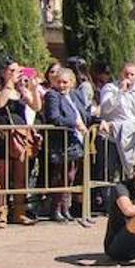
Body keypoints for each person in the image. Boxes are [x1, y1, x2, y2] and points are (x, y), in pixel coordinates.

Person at [0, 59, 41, 226]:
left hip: (20, 136)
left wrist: (32, 87)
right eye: (12, 70)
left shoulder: (20, 91)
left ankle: (19, 211)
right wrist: (9, 84)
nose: (17, 73)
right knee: (2, 177)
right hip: (1, 137)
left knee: (20, 177)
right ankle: (1, 211)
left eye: (18, 70)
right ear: (3, 72)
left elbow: (37, 106)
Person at [43, 68, 89, 223]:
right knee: (61, 176)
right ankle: (56, 208)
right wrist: (74, 124)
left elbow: (85, 115)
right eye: (59, 82)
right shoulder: (52, 95)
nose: (61, 85)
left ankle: (65, 207)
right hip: (61, 142)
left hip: (75, 141)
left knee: (71, 176)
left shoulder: (74, 95)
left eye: (65, 82)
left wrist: (99, 120)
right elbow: (54, 118)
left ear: (72, 82)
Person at [99, 63, 135, 180]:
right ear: (121, 74)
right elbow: (105, 108)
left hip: (133, 136)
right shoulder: (109, 88)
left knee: (132, 170)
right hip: (112, 135)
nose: (128, 77)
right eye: (126, 74)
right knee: (110, 171)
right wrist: (120, 92)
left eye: (132, 74)